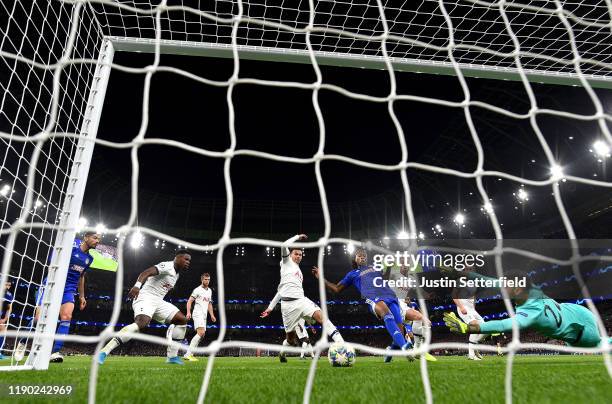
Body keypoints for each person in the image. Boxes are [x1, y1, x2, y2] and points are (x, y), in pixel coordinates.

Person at [444, 270, 612, 348]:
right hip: (576, 311)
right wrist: (460, 273)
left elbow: (503, 325)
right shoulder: (530, 289)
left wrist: (468, 327)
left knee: (600, 345)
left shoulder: (531, 314)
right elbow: (489, 280)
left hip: (581, 332)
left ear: (517, 290)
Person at [312, 247, 413, 361]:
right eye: (359, 256)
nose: (362, 257)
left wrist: (389, 267)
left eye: (364, 255)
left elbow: (385, 278)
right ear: (354, 259)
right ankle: (405, 347)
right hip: (374, 298)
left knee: (399, 331)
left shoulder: (374, 267)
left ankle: (391, 349)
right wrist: (321, 278)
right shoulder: (352, 274)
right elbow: (336, 288)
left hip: (390, 296)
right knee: (387, 314)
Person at [14, 232, 101, 363]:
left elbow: (81, 276)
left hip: (68, 290)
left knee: (67, 317)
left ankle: (55, 352)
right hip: (52, 285)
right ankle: (22, 342)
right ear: (85, 238)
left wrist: (82, 296)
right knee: (38, 318)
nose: (97, 241)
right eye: (95, 238)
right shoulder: (69, 249)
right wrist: (52, 282)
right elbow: (52, 263)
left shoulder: (90, 259)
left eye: (99, 239)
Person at [98, 250, 192, 365]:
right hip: (145, 297)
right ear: (177, 257)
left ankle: (172, 357)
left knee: (182, 320)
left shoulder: (176, 275)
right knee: (141, 323)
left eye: (189, 261)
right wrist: (137, 286)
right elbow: (146, 272)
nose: (188, 262)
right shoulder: (167, 266)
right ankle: (103, 352)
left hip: (158, 301)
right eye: (186, 259)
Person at [260, 234, 343, 363]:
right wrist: (297, 237)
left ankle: (341, 343)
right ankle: (282, 352)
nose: (298, 256)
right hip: (287, 307)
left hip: (301, 300)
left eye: (300, 254)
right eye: (296, 254)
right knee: (290, 340)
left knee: (321, 315)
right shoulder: (286, 263)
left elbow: (281, 290)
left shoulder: (299, 271)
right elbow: (283, 246)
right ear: (290, 255)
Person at [183, 273, 216, 361]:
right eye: (205, 279)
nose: (207, 281)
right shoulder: (197, 290)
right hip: (197, 313)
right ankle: (188, 354)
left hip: (204, 315)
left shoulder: (209, 291)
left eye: (208, 279)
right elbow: (189, 301)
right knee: (200, 333)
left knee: (202, 335)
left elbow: (209, 304)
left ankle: (191, 354)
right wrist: (188, 312)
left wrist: (212, 315)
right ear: (202, 280)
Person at [0, 279, 14, 360]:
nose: (7, 287)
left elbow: (9, 308)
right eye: (6, 284)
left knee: (3, 330)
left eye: (9, 285)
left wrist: (5, 319)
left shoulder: (8, 295)